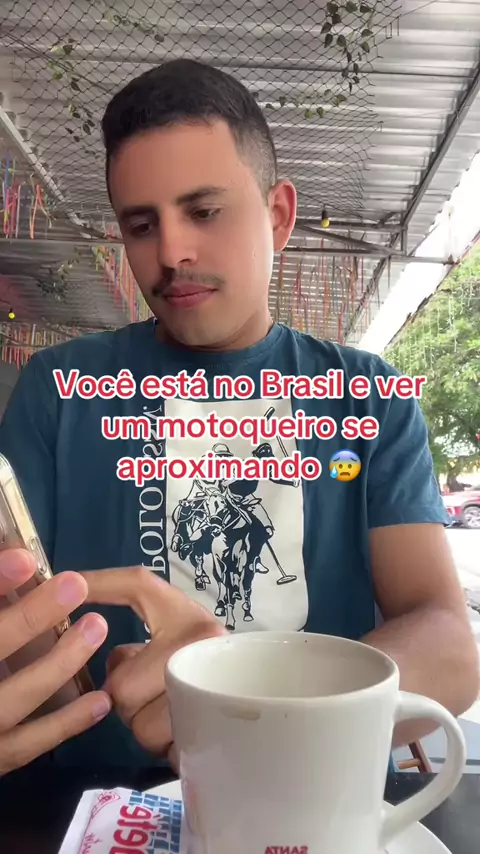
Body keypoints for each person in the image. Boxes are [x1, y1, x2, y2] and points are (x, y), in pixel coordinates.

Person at [0, 58, 477, 775]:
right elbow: (24, 635)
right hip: (93, 807)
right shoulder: (59, 390)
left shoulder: (366, 395)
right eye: (141, 224)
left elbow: (447, 641)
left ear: (277, 215)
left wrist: (242, 702)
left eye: (204, 211)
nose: (171, 252)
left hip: (314, 802)